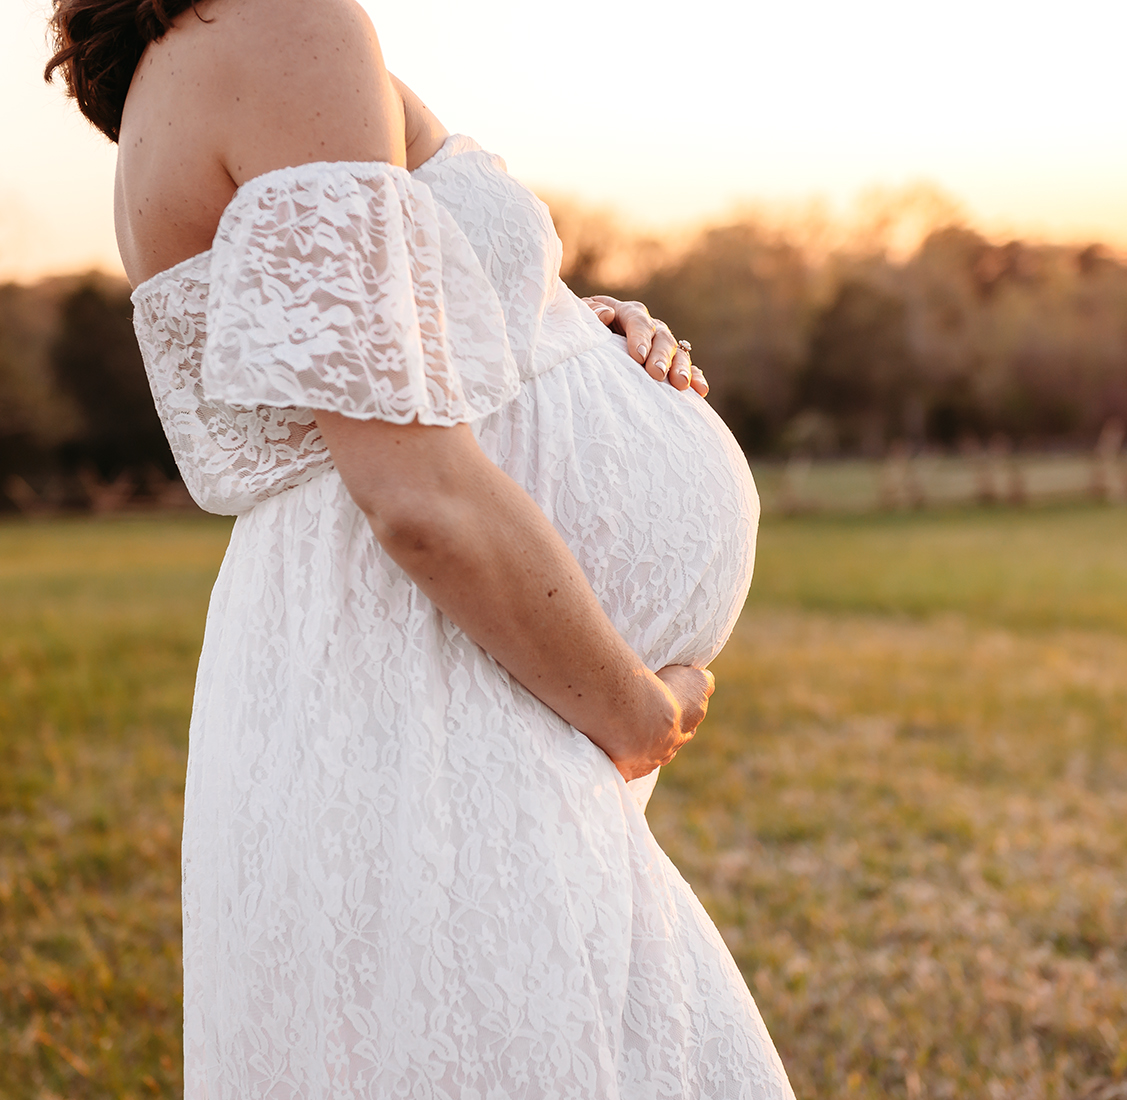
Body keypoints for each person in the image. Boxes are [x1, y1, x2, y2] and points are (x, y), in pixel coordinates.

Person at [45, 0, 797, 1095]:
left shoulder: (216, 56)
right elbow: (413, 493)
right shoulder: (280, 25)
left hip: (397, 666)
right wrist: (637, 710)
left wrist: (564, 319)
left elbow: (373, 349)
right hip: (423, 666)